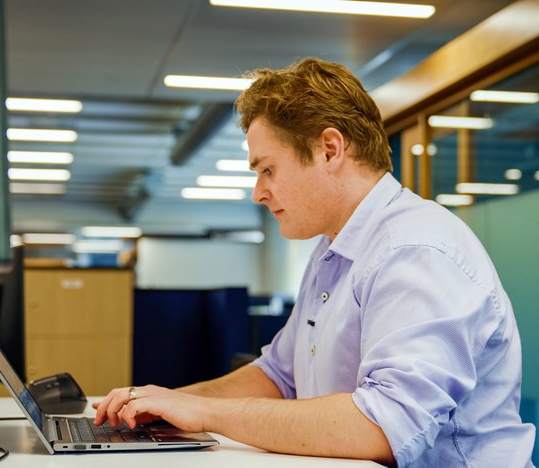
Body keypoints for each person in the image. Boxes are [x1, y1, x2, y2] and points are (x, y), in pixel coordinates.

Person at [94, 58, 536, 467]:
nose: (258, 192)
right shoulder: (334, 249)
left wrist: (206, 412)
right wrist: (161, 406)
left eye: (267, 169)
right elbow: (278, 375)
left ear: (329, 148)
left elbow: (384, 425)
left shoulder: (414, 249)